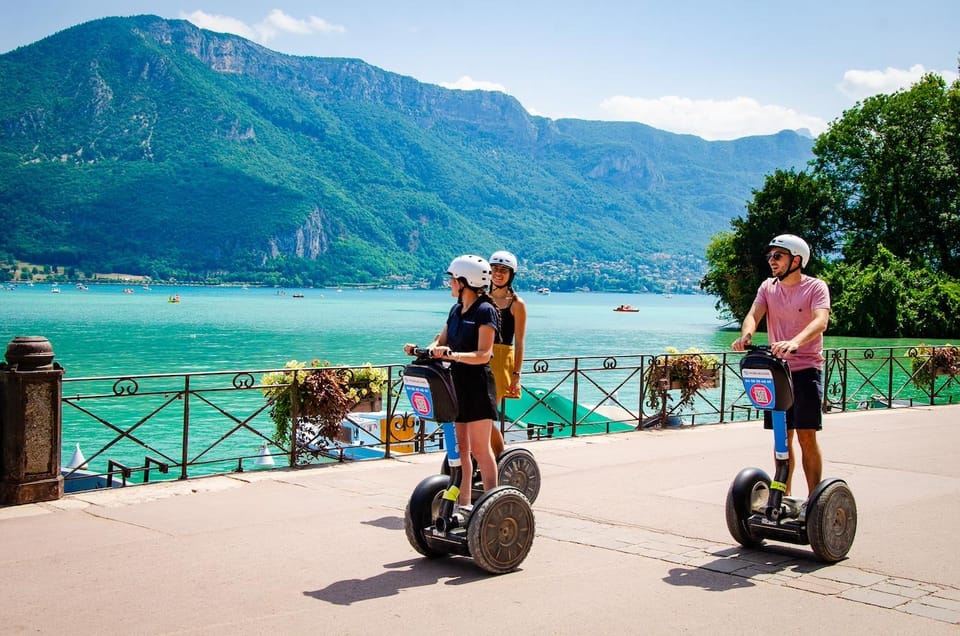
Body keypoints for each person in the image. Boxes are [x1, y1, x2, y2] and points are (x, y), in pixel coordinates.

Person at [732, 234, 830, 497]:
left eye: (778, 256)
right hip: (776, 373)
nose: (772, 261)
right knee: (782, 439)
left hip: (806, 370)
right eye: (770, 257)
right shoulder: (768, 288)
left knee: (806, 437)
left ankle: (814, 500)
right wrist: (747, 335)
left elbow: (820, 321)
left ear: (796, 260)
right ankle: (781, 498)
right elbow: (754, 314)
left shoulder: (816, 288)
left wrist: (795, 342)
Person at [403, 255, 499, 507]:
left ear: (465, 282)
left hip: (477, 386)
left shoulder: (485, 311)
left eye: (453, 280)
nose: (450, 284)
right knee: (461, 451)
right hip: (454, 385)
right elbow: (441, 340)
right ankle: (463, 504)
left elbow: (484, 354)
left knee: (481, 450)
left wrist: (453, 355)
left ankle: (492, 505)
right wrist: (423, 349)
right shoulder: (456, 310)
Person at [488, 250, 528, 457]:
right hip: (479, 357)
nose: (498, 273)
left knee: (485, 416)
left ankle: (500, 457)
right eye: (494, 269)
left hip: (501, 361)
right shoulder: (482, 298)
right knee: (476, 416)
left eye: (503, 270)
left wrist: (516, 375)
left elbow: (520, 342)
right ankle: (484, 457)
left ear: (511, 274)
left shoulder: (517, 304)